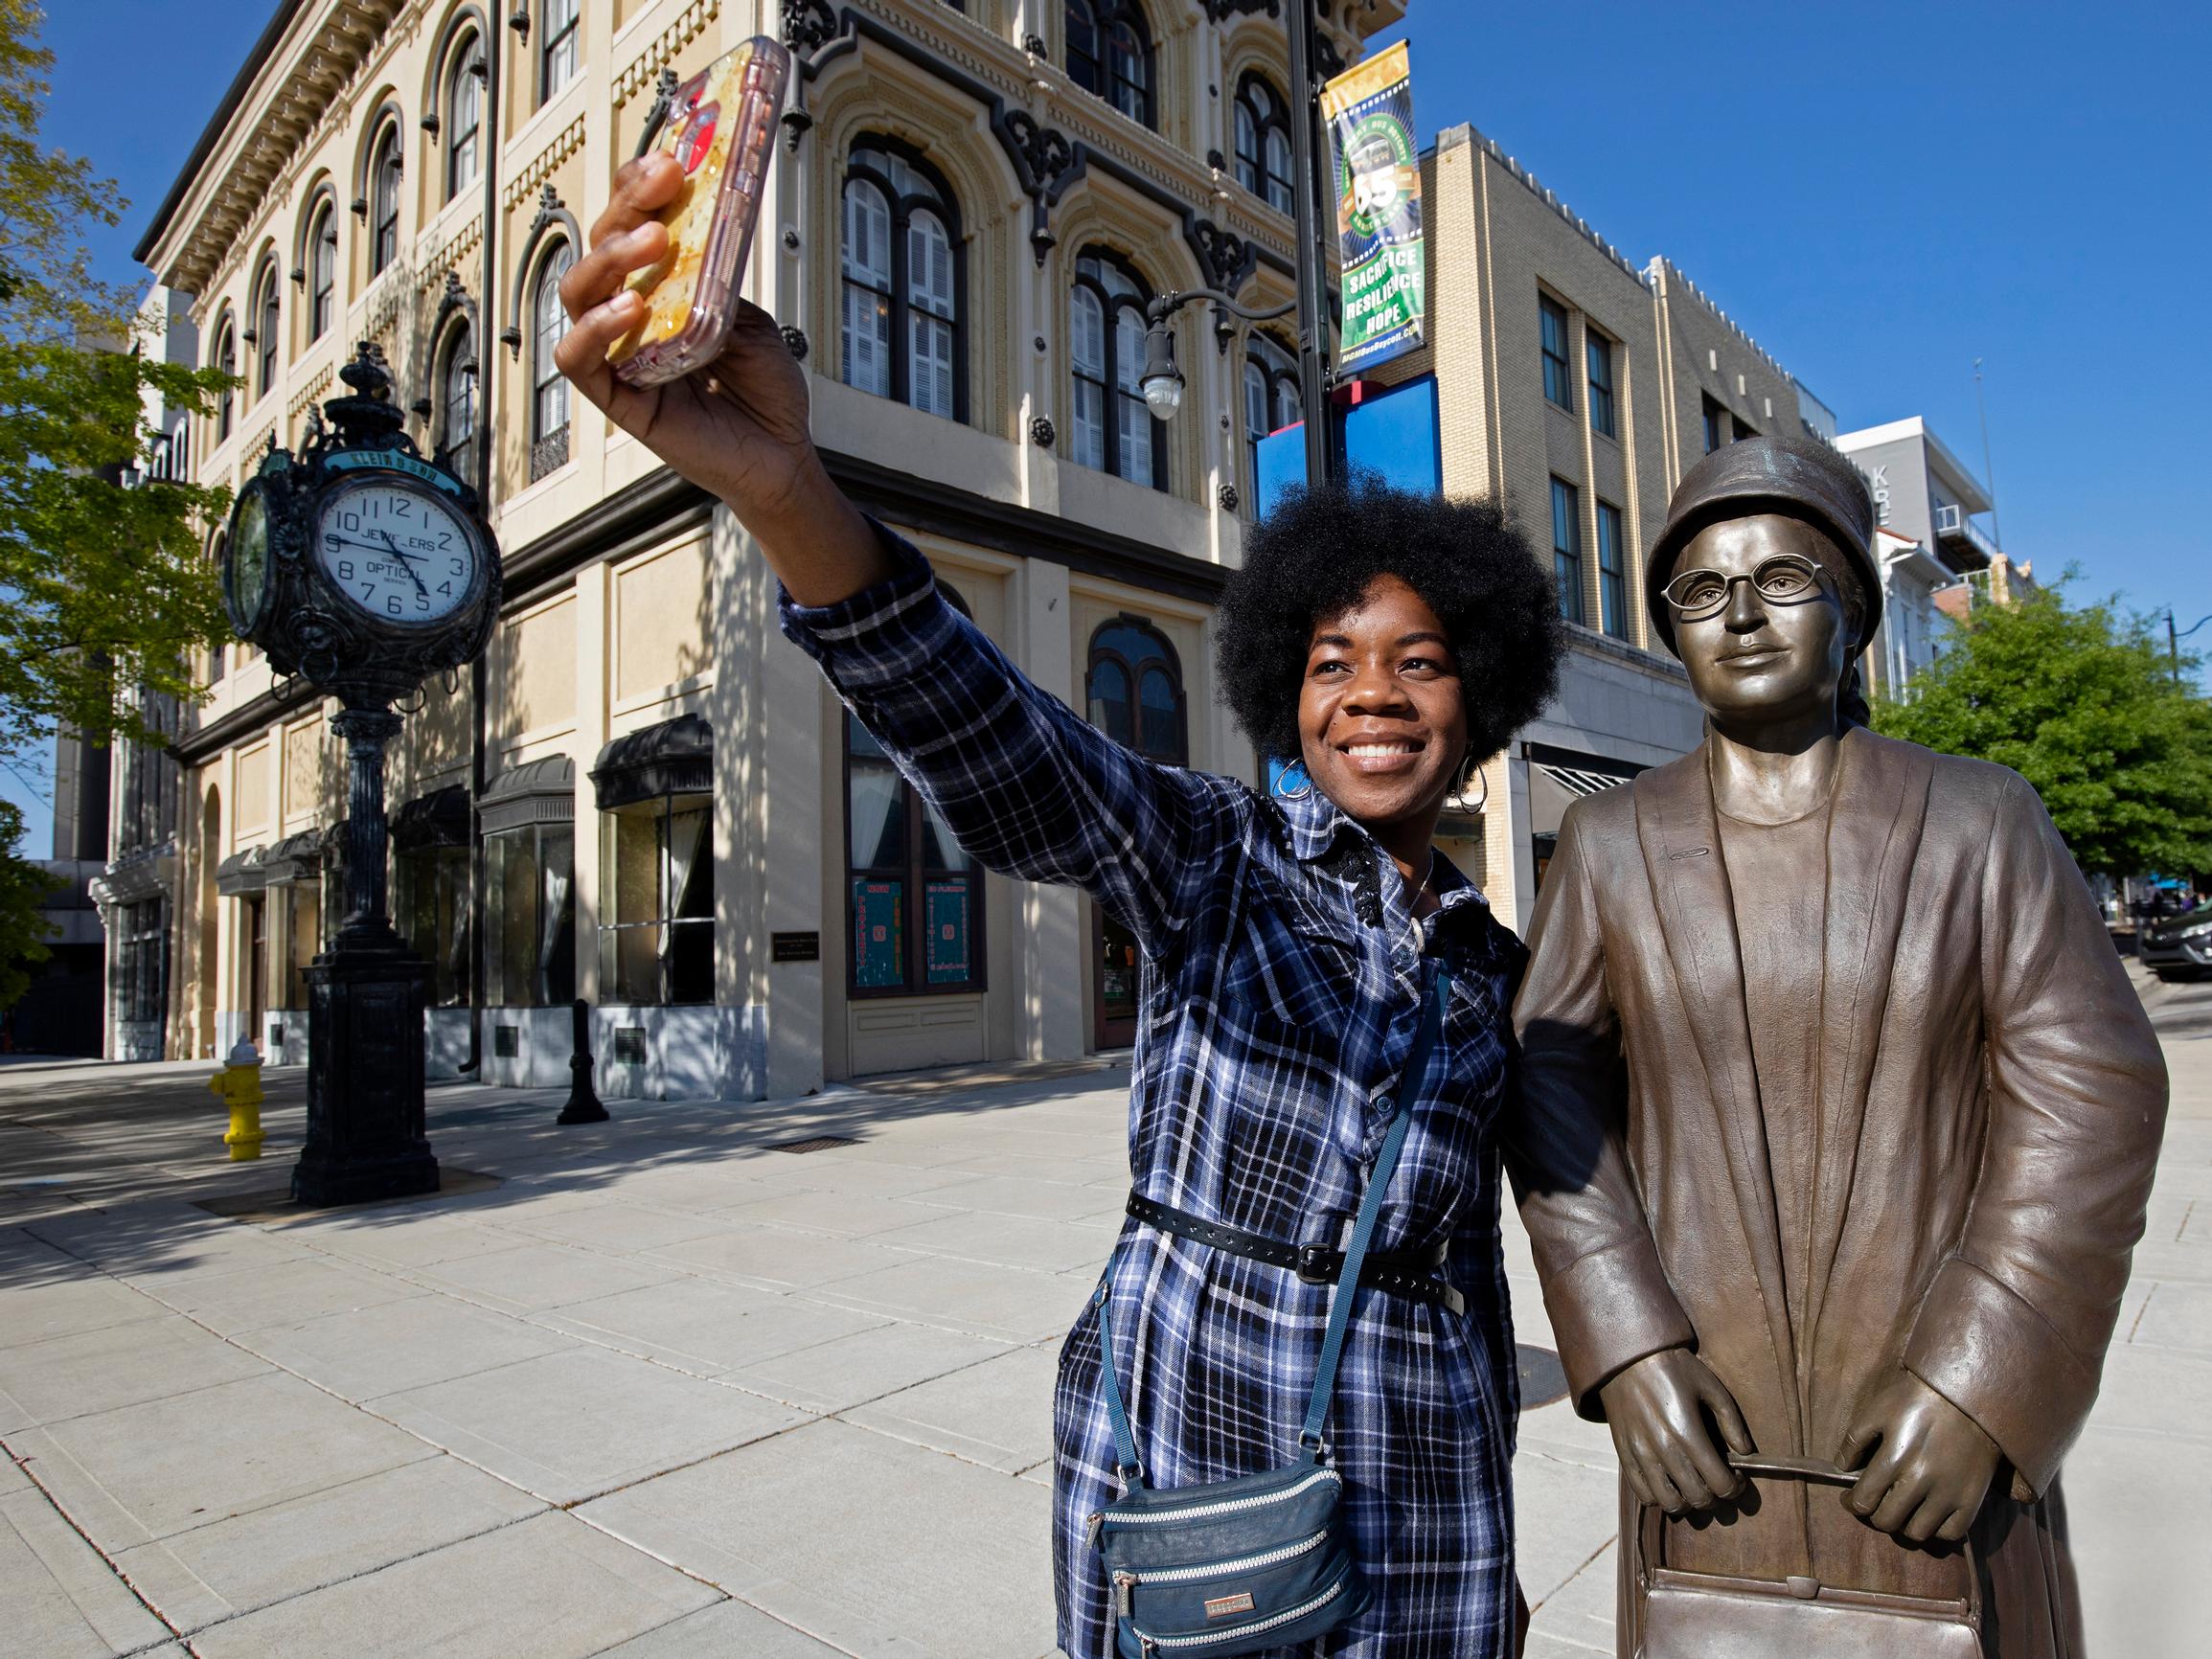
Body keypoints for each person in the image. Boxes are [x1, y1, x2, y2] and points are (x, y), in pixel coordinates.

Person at [557, 154, 1568, 1659]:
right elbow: (998, 743)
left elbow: (1518, 1237)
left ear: (1477, 697)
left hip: (1432, 1478)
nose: (1371, 694)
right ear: (1282, 697)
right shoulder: (1215, 859)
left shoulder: (1497, 965)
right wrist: (784, 488)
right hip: (1200, 1446)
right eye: (1330, 663)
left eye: (1418, 662)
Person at [1509, 434, 2167, 1656]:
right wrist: (1624, 1340)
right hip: (1706, 1438)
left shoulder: (1980, 822)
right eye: (1699, 592)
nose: (1740, 616)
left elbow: (2092, 1097)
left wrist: (1981, 1373)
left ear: (1851, 614)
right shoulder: (1606, 848)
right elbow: (1551, 1092)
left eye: (1781, 579)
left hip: (1926, 1441)